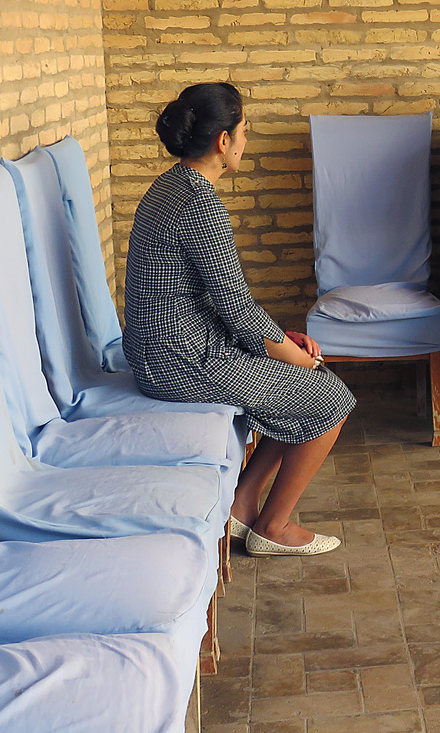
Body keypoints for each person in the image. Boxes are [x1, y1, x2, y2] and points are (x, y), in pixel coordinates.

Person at [123, 82, 355, 557]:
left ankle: (241, 501)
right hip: (177, 360)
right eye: (244, 131)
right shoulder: (198, 205)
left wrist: (281, 344)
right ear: (222, 141)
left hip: (163, 348)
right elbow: (241, 314)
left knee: (292, 379)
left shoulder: (171, 185)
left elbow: (225, 305)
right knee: (330, 398)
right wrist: (295, 355)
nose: (246, 141)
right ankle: (274, 525)